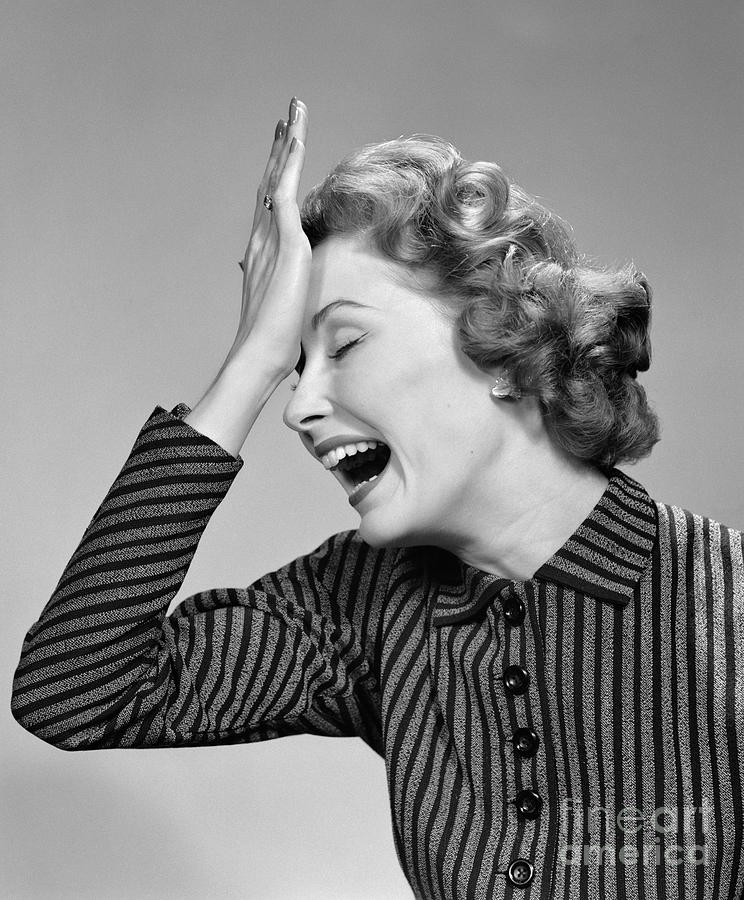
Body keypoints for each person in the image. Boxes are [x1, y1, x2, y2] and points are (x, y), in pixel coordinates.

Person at [11, 97, 744, 900]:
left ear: (506, 343)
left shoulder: (727, 604)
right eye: (293, 370)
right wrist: (250, 361)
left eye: (345, 344)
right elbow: (77, 692)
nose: (297, 407)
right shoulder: (359, 602)